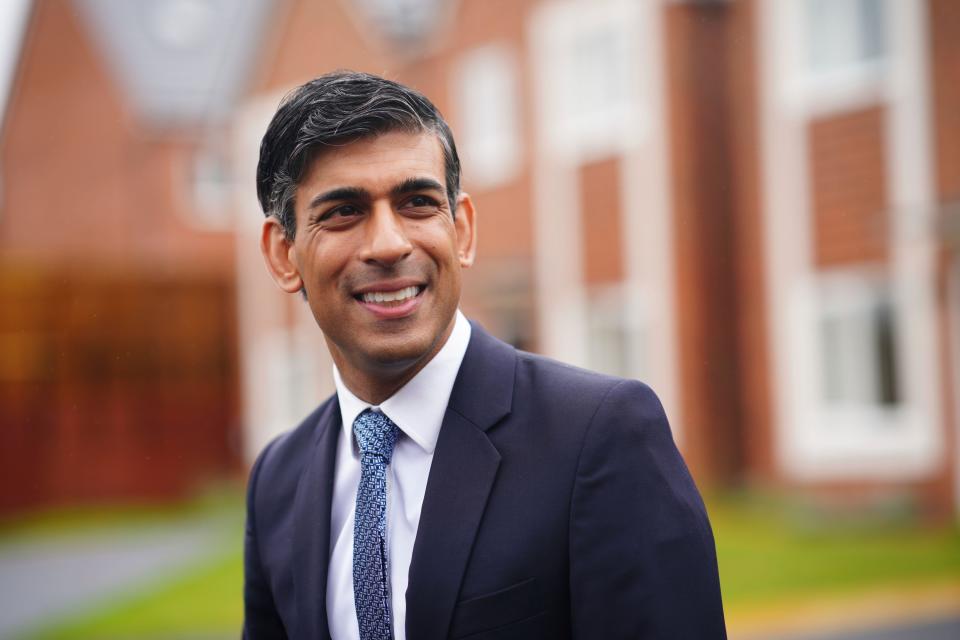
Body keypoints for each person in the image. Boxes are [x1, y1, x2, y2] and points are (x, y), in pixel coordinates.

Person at [245, 70, 726, 640]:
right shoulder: (279, 477)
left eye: (418, 203)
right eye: (344, 211)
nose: (390, 244)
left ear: (463, 230)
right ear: (283, 254)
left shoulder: (599, 437)